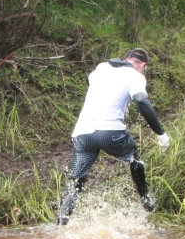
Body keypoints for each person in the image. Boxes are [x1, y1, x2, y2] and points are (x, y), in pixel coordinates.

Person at [57, 47, 171, 225]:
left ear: (127, 58)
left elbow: (93, 83)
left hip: (82, 133)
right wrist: (160, 133)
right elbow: (141, 100)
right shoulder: (136, 76)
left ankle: (61, 223)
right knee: (135, 159)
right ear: (142, 65)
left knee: (76, 180)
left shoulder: (102, 67)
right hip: (110, 132)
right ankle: (146, 201)